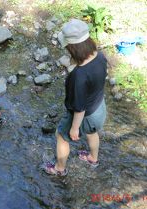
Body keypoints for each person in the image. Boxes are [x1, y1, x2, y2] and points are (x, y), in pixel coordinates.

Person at [43, 19, 107, 176]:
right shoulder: (100, 56)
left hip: (84, 115)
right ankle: (93, 158)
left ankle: (59, 169)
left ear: (72, 48)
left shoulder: (78, 75)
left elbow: (79, 108)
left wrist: (74, 128)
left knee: (61, 137)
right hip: (99, 108)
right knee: (92, 133)